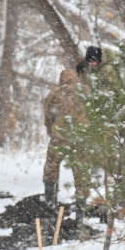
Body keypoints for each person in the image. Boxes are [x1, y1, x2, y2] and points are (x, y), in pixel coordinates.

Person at [43, 68, 91, 209]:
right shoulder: (86, 91)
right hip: (81, 138)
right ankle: (81, 210)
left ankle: (50, 203)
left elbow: (47, 116)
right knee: (82, 172)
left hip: (59, 137)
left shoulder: (54, 93)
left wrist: (53, 132)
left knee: (51, 167)